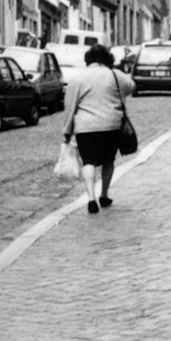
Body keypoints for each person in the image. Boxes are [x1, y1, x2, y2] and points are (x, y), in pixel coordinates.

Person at [62, 43, 137, 215]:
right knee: (108, 161)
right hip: (111, 125)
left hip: (85, 128)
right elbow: (132, 86)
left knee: (88, 162)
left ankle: (91, 198)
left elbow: (70, 106)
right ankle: (104, 194)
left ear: (88, 60)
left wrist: (67, 131)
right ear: (107, 59)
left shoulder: (78, 78)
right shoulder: (115, 74)